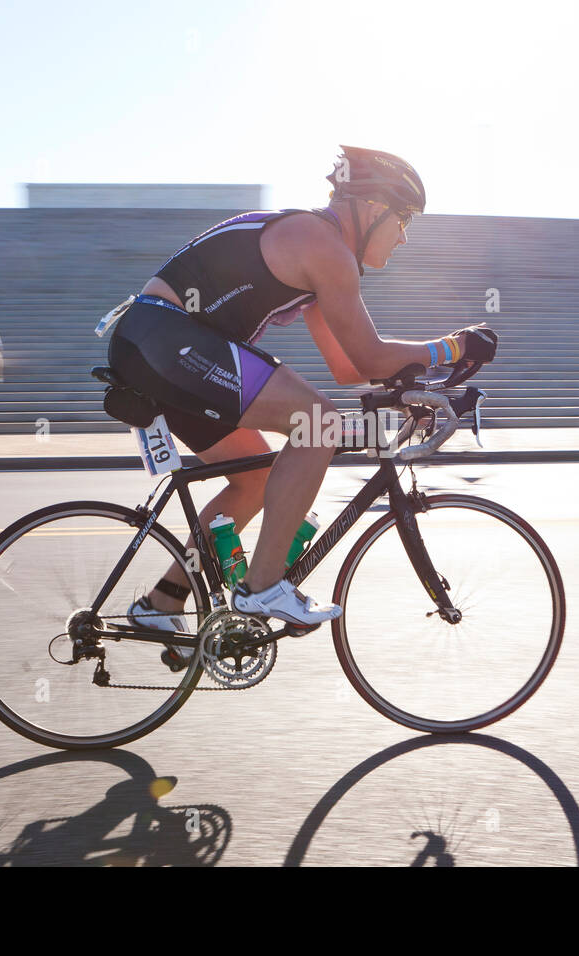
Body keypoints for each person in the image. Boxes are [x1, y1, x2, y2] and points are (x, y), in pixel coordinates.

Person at [106, 146, 498, 665]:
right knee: (319, 425)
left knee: (259, 480)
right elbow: (369, 354)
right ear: (371, 206)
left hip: (163, 345)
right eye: (402, 219)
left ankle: (162, 602)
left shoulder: (320, 252)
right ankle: (262, 585)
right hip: (166, 338)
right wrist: (455, 347)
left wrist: (410, 388)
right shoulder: (323, 246)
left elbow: (351, 368)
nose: (404, 235)